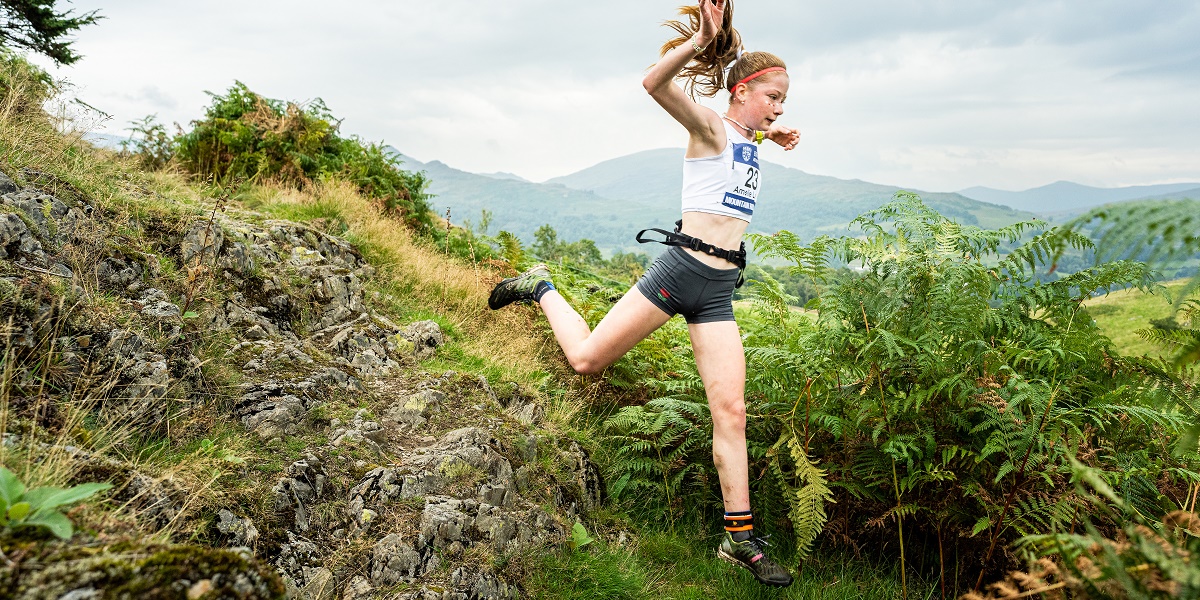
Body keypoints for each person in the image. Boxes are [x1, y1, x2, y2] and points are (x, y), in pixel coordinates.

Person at [488, 0, 799, 588]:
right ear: (740, 91)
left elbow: (749, 143)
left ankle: (739, 541)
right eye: (772, 97)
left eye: (785, 101)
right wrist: (701, 39)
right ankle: (542, 285)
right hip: (679, 270)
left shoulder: (750, 136)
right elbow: (653, 82)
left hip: (719, 289)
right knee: (586, 361)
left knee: (730, 411)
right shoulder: (709, 126)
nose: (780, 108)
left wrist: (774, 131)